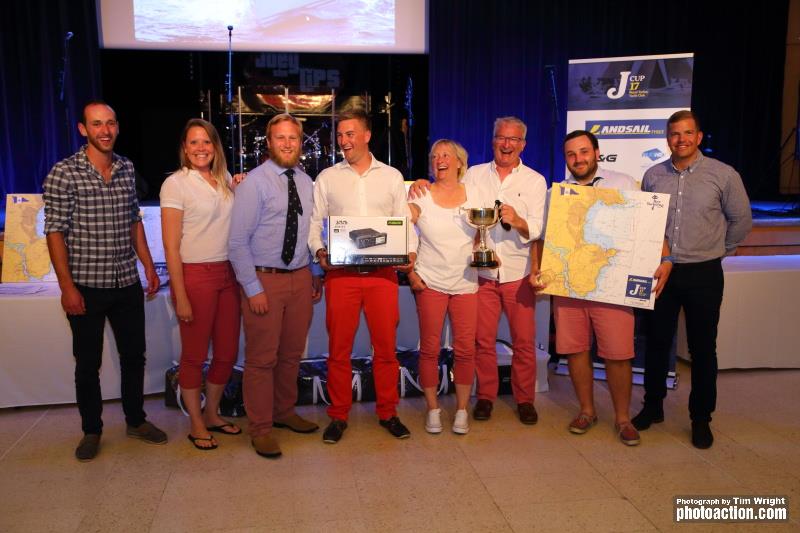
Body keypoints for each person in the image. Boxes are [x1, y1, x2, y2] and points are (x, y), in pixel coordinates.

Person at [43, 100, 167, 462]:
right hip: (85, 285)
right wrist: (67, 287)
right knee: (87, 363)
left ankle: (136, 420)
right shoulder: (64, 173)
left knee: (134, 357)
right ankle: (92, 431)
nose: (105, 130)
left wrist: (148, 265)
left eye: (111, 123)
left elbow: (134, 220)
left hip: (126, 281)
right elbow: (55, 233)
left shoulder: (126, 168)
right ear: (83, 129)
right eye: (97, 124)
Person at [531, 130, 670, 446]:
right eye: (571, 154)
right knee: (576, 349)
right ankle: (587, 410)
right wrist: (538, 269)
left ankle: (622, 418)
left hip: (612, 284)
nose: (578, 159)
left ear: (596, 152)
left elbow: (649, 227)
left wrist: (667, 259)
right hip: (569, 285)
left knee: (618, 353)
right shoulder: (559, 193)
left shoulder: (623, 183)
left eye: (583, 152)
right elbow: (543, 237)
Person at [410, 116, 547, 425]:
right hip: (480, 274)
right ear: (493, 140)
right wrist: (421, 182)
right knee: (482, 342)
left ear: (523, 144)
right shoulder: (473, 173)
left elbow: (538, 228)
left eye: (513, 139)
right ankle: (485, 396)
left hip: (517, 272)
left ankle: (525, 399)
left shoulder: (535, 181)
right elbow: (448, 195)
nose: (506, 144)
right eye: (501, 137)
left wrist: (519, 220)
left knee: (523, 342)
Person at [632, 110, 752, 449]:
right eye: (674, 134)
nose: (681, 139)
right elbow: (647, 221)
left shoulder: (723, 175)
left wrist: (717, 251)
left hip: (704, 273)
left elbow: (741, 221)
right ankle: (653, 406)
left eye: (688, 133)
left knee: (703, 349)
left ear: (699, 136)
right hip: (662, 271)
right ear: (667, 138)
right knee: (656, 343)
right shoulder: (653, 175)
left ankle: (701, 418)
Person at [309, 108, 418, 444]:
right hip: (341, 276)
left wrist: (410, 253)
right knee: (338, 350)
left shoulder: (392, 176)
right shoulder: (327, 177)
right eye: (340, 135)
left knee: (385, 349)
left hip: (383, 275)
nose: (344, 141)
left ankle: (388, 412)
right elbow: (315, 224)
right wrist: (319, 252)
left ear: (367, 135)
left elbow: (404, 222)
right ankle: (338, 415)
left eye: (350, 134)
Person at [228, 113, 323, 459]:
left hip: (299, 278)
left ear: (301, 143)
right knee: (261, 359)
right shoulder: (254, 183)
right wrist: (252, 288)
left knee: (291, 355)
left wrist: (314, 272)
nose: (286, 144)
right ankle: (261, 428)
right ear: (268, 143)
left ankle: (284, 413)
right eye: (280, 138)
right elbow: (237, 242)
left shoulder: (306, 182)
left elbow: (308, 233)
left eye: (293, 138)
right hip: (264, 278)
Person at [160, 118, 246, 451]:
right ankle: (195, 422)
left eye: (206, 142)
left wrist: (240, 185)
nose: (201, 148)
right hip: (195, 276)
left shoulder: (223, 179)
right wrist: (179, 294)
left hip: (228, 275)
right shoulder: (176, 185)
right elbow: (170, 246)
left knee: (226, 353)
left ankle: (212, 413)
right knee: (194, 356)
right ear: (184, 148)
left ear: (215, 146)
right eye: (194, 142)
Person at [408, 139, 479, 435]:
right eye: (435, 155)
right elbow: (401, 231)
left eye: (446, 155)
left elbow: (485, 233)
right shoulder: (419, 194)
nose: (440, 159)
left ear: (460, 162)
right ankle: (433, 409)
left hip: (465, 283)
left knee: (465, 350)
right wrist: (410, 273)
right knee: (429, 349)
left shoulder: (475, 193)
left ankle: (462, 410)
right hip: (429, 281)